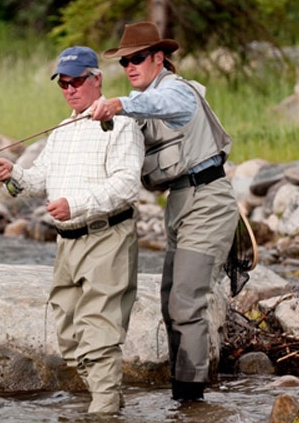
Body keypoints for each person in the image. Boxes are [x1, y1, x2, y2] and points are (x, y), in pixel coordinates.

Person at [0, 46, 144, 415]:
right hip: (67, 245)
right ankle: (111, 402)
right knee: (71, 340)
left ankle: (103, 411)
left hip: (108, 237)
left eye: (78, 81)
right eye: (64, 83)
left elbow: (127, 186)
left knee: (99, 334)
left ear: (97, 79)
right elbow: (39, 180)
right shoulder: (61, 130)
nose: (71, 89)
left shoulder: (121, 125)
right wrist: (13, 176)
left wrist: (77, 204)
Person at [90, 22, 239, 402]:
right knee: (170, 300)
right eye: (125, 62)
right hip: (180, 203)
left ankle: (190, 400)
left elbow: (165, 105)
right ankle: (184, 394)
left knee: (186, 303)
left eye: (138, 58)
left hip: (207, 200)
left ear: (159, 57)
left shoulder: (176, 90)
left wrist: (121, 104)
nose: (130, 67)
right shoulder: (140, 103)